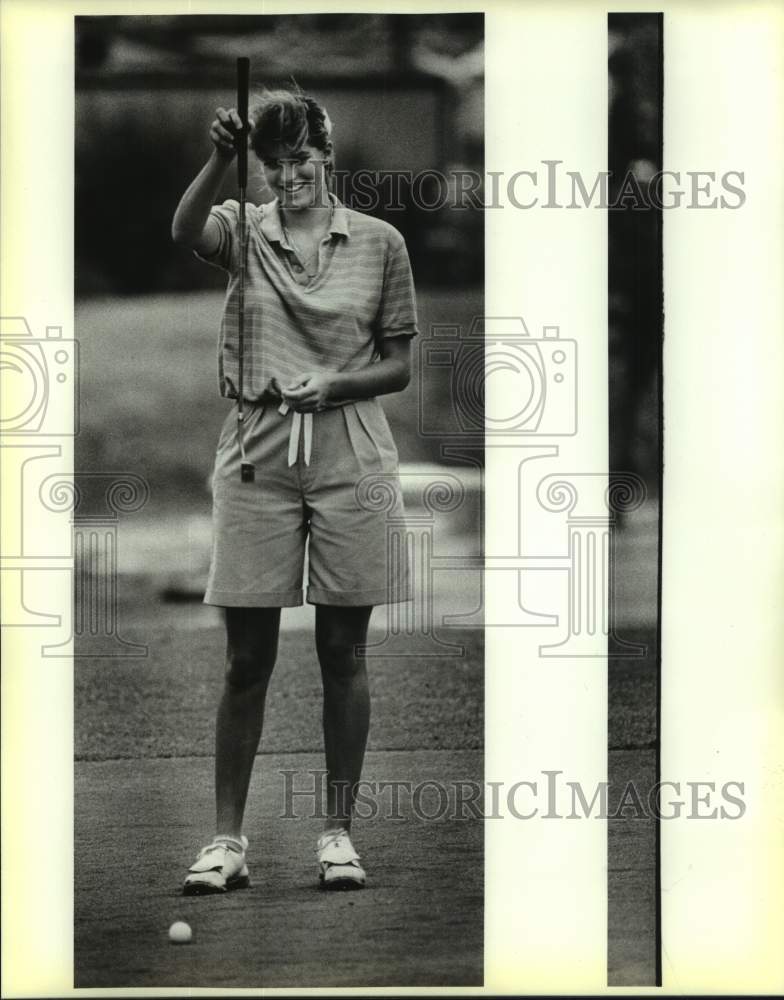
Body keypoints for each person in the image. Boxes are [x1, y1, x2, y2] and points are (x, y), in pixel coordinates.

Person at [171, 87, 418, 893]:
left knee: (343, 651)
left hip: (350, 449)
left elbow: (398, 365)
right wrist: (219, 158)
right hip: (255, 448)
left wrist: (336, 383)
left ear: (328, 155)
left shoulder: (381, 243)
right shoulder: (243, 228)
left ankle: (338, 835)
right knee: (248, 659)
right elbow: (182, 231)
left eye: (301, 162)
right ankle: (226, 842)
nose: (288, 179)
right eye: (273, 165)